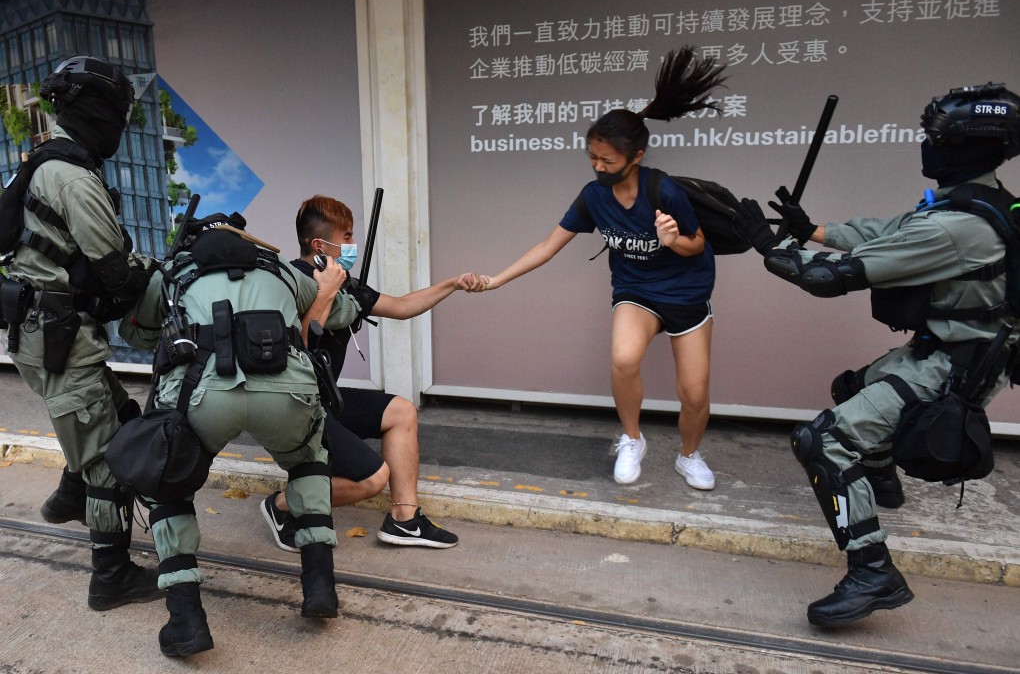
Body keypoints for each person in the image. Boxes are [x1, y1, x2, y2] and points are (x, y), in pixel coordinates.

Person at [730, 82, 1020, 626]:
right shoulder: (980, 202)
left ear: (966, 145)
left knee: (823, 439)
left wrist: (772, 247)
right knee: (853, 389)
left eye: (936, 137)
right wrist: (810, 227)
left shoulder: (957, 227)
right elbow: (886, 233)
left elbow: (825, 278)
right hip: (953, 346)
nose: (926, 145)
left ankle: (872, 570)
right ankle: (881, 480)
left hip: (952, 367)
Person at [471, 47, 727, 489]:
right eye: (592, 156)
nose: (598, 166)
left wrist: (672, 240)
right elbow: (549, 245)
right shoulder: (593, 196)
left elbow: (698, 243)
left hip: (687, 291)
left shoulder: (664, 191)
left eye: (607, 160)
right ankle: (632, 439)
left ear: (636, 156)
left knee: (695, 392)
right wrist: (497, 280)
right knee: (624, 357)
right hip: (637, 290)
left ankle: (689, 455)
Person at [118, 211, 364, 656]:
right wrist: (335, 288)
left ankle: (185, 620)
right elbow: (344, 310)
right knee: (308, 461)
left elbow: (136, 334)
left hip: (204, 393)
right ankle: (320, 586)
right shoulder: (284, 269)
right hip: (287, 392)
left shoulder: (174, 270)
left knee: (170, 482)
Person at [1, 56, 160, 611]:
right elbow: (113, 271)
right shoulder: (71, 176)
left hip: (46, 333)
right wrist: (157, 271)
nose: (120, 126)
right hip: (61, 338)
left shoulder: (46, 160)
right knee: (107, 458)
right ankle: (110, 575)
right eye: (118, 114)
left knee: (122, 421)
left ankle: (68, 495)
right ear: (98, 113)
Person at [259, 194, 474, 552]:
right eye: (346, 237)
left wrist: (452, 284)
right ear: (319, 245)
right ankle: (282, 505)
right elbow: (298, 347)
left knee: (401, 411)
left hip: (324, 400)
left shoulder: (347, 287)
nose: (351, 244)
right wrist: (325, 293)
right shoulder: (289, 283)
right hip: (291, 405)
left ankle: (405, 520)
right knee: (372, 479)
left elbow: (404, 306)